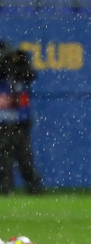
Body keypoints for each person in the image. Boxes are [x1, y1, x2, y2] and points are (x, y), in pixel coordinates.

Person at [0, 41, 42, 195]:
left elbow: (30, 74)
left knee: (25, 161)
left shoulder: (21, 71)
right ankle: (6, 190)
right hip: (2, 124)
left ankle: (34, 189)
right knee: (3, 162)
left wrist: (16, 62)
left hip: (19, 123)